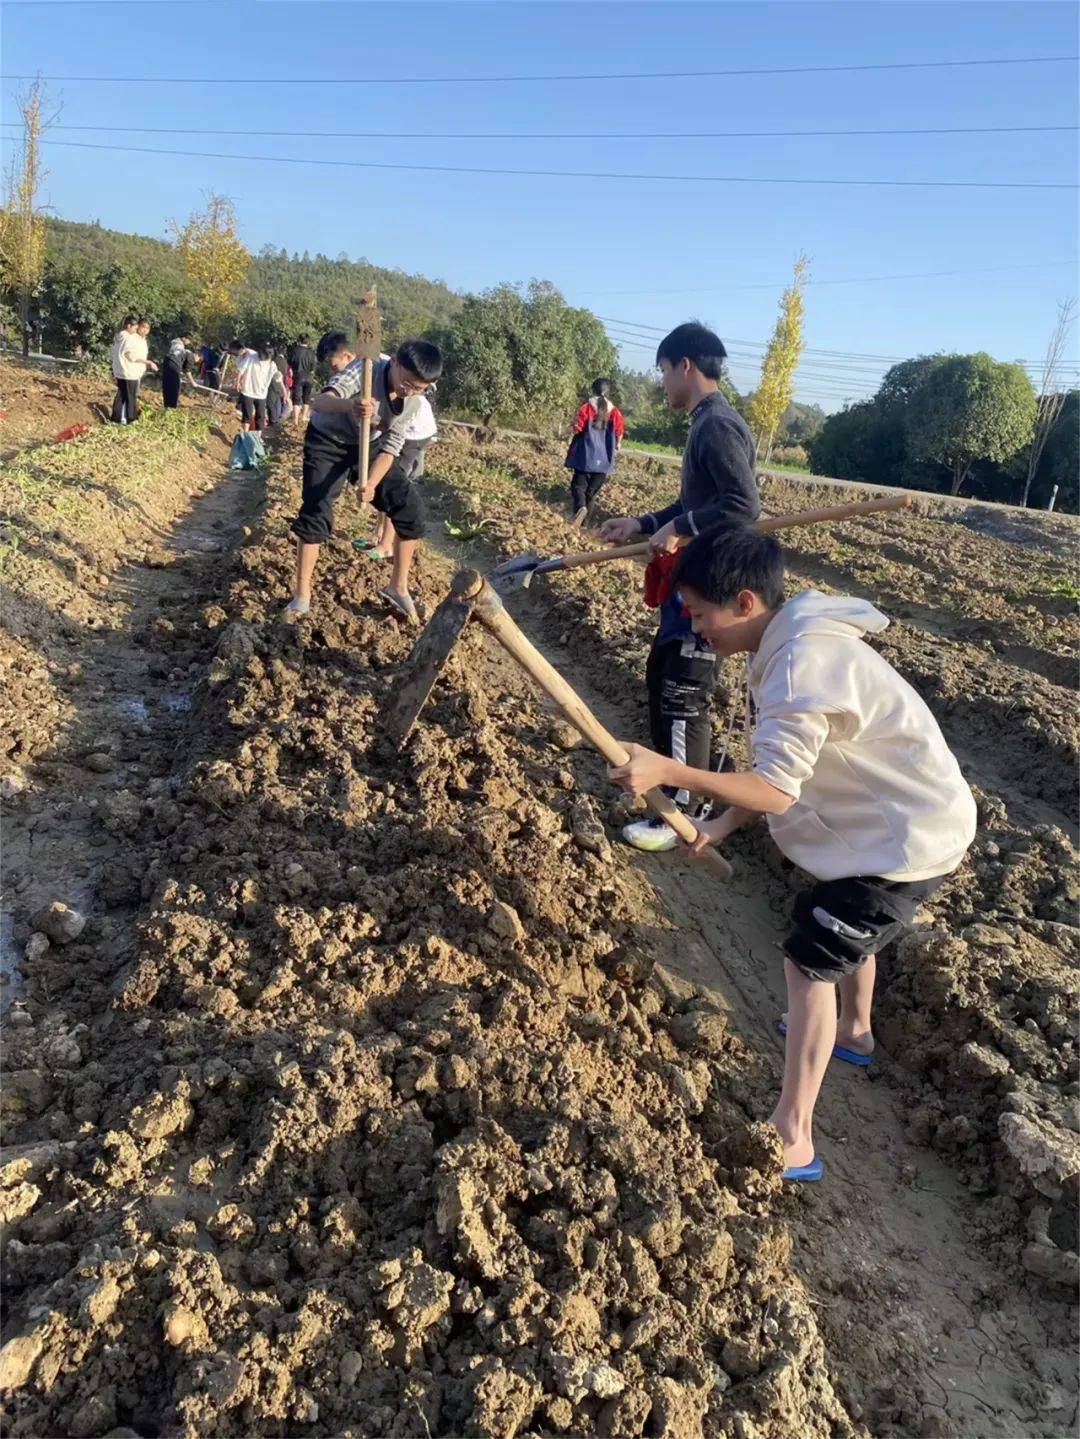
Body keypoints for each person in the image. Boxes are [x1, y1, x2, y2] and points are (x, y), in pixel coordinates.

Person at [609, 523, 977, 1182]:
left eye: (700, 614)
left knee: (811, 959)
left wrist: (671, 768)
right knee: (838, 922)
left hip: (907, 838)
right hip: (894, 826)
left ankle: (793, 1136)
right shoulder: (787, 641)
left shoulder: (803, 666)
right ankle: (854, 1034)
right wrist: (720, 826)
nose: (696, 630)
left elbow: (777, 789)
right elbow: (780, 770)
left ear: (745, 603)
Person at [599, 322, 759, 853]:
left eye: (664, 371)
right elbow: (698, 501)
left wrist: (681, 528)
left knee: (683, 693)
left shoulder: (717, 425)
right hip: (692, 584)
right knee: (665, 679)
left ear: (684, 365)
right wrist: (646, 523)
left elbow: (741, 506)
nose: (663, 383)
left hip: (712, 587)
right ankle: (682, 787)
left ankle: (681, 811)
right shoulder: (705, 423)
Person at [286, 333, 443, 621]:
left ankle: (398, 588)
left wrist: (370, 484)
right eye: (406, 383)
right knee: (316, 510)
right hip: (327, 440)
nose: (409, 391)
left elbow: (392, 447)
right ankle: (302, 595)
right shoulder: (365, 368)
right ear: (394, 362)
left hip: (367, 446)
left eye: (418, 388)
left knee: (410, 509)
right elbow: (321, 402)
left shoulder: (414, 403)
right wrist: (352, 405)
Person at [360, 387, 439, 561]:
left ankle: (386, 546)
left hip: (412, 438)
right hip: (399, 435)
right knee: (381, 481)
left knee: (391, 489)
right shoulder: (386, 385)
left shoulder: (411, 398)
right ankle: (378, 534)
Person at [565, 378, 624, 525]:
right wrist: (617, 446)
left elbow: (576, 427)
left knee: (578, 487)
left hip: (585, 458)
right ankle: (584, 527)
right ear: (608, 392)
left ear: (593, 390)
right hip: (604, 461)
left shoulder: (586, 407)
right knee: (592, 494)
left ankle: (580, 508)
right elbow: (619, 433)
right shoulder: (615, 411)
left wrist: (568, 431)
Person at [237, 343, 276, 430]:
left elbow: (277, 377)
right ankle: (245, 435)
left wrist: (284, 391)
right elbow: (241, 370)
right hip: (248, 390)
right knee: (247, 415)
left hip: (261, 393)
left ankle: (257, 439)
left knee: (260, 417)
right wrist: (238, 382)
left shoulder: (272, 364)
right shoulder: (251, 357)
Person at [110, 315, 140, 423]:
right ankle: (130, 419)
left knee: (121, 394)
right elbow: (130, 356)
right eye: (135, 328)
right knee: (130, 396)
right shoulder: (128, 338)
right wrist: (143, 361)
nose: (136, 330)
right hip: (128, 371)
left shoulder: (118, 337)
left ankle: (115, 418)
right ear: (128, 326)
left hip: (119, 371)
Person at [287, 333, 317, 430]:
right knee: (306, 397)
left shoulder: (295, 351)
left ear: (299, 340)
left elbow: (290, 363)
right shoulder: (312, 352)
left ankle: (295, 420)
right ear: (308, 341)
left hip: (298, 376)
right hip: (309, 377)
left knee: (297, 398)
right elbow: (313, 367)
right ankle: (304, 416)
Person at [162, 333, 195, 409]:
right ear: (184, 338)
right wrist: (193, 382)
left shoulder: (173, 343)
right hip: (174, 368)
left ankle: (166, 407)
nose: (189, 342)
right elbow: (187, 371)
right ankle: (172, 409)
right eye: (189, 340)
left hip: (166, 366)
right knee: (175, 390)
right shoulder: (187, 352)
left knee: (167, 388)